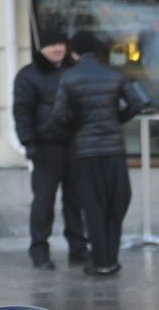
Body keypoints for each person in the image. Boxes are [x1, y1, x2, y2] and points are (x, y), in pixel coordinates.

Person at [43, 31, 141, 277]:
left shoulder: (69, 78)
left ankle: (100, 262)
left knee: (93, 207)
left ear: (74, 52)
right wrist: (115, 120)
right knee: (116, 204)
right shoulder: (114, 74)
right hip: (114, 151)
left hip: (86, 153)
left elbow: (59, 116)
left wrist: (79, 127)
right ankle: (112, 259)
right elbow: (137, 104)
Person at [13, 26, 89, 270]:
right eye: (51, 44)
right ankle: (39, 252)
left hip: (75, 146)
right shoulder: (28, 75)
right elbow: (22, 112)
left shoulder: (75, 71)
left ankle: (78, 248)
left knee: (75, 201)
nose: (58, 48)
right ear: (41, 48)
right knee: (44, 202)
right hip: (46, 148)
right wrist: (30, 143)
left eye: (61, 43)